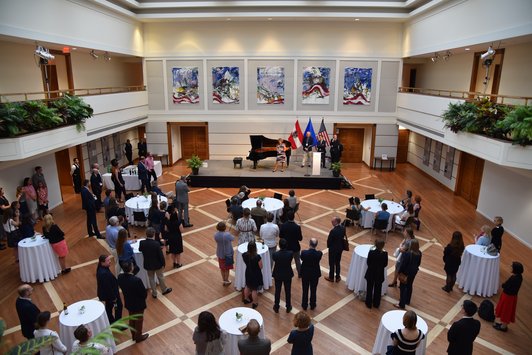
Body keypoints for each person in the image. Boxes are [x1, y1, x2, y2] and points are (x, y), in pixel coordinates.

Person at [117, 260, 149, 343]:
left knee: (131, 319)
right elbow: (143, 293)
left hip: (128, 301)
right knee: (139, 320)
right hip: (138, 303)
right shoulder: (136, 280)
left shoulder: (120, 277)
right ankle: (138, 336)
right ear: (131, 268)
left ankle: (133, 335)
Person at [139, 227, 172, 298]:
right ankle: (164, 290)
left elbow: (140, 249)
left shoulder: (142, 243)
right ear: (153, 234)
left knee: (151, 278)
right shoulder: (156, 244)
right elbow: (161, 256)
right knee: (160, 277)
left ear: (146, 234)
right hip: (157, 264)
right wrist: (163, 263)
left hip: (148, 264)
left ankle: (154, 293)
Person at [493, 261, 524, 332]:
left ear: (515, 269)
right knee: (507, 310)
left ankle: (503, 327)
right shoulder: (519, 277)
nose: (510, 267)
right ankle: (503, 325)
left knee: (506, 311)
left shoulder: (514, 278)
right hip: (511, 297)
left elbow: (506, 285)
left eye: (511, 266)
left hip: (508, 297)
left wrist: (503, 285)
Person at [396, 239, 422, 309]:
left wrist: (399, 272)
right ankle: (407, 300)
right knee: (410, 285)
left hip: (405, 273)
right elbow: (419, 263)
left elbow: (403, 264)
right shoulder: (419, 253)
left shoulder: (407, 253)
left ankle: (402, 304)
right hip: (413, 272)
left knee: (403, 287)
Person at [96, 254, 123, 323]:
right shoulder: (104, 273)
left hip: (107, 295)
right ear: (102, 262)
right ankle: (117, 324)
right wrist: (114, 298)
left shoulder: (101, 268)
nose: (110, 261)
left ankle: (111, 321)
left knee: (109, 308)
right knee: (118, 307)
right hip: (111, 295)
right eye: (108, 260)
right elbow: (108, 287)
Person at [365, 238, 388, 309]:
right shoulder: (385, 254)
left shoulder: (371, 252)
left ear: (375, 245)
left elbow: (368, 262)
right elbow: (385, 264)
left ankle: (368, 303)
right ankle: (376, 304)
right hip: (379, 274)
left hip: (371, 272)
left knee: (369, 288)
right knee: (378, 289)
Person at [300, 238, 322, 311]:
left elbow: (302, 259)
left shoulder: (304, 253)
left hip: (305, 273)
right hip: (315, 274)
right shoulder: (319, 254)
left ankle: (304, 304)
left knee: (305, 289)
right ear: (316, 245)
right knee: (313, 289)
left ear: (309, 244)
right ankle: (313, 304)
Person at [272, 238, 294, 313]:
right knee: (288, 291)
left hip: (278, 274)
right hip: (287, 274)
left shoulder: (275, 254)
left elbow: (274, 259)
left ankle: (276, 306)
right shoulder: (290, 253)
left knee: (277, 291)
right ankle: (288, 307)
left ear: (279, 245)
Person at [279, 210, 303, 277]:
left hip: (286, 247)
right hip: (295, 247)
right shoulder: (297, 227)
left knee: (287, 262)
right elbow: (300, 239)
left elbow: (280, 236)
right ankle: (300, 274)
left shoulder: (283, 226)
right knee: (297, 261)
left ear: (287, 217)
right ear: (294, 217)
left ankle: (286, 273)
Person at [242, 240, 263, 309]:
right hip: (255, 273)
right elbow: (261, 266)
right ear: (255, 248)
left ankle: (246, 299)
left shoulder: (244, 255)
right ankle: (255, 303)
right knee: (254, 289)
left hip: (248, 272)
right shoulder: (257, 257)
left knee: (247, 285)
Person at [325, 216, 344, 282]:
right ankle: (338, 277)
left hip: (333, 249)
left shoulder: (333, 231)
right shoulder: (343, 228)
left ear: (336, 222)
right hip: (340, 248)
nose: (331, 222)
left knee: (332, 263)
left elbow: (329, 240)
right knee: (338, 262)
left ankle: (331, 277)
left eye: (332, 221)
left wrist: (329, 246)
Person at [214, 221, 234, 286]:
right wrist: (228, 233)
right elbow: (232, 238)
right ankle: (226, 280)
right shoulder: (227, 235)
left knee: (222, 268)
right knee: (227, 268)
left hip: (220, 253)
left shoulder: (216, 235)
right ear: (224, 227)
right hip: (228, 254)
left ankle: (223, 280)